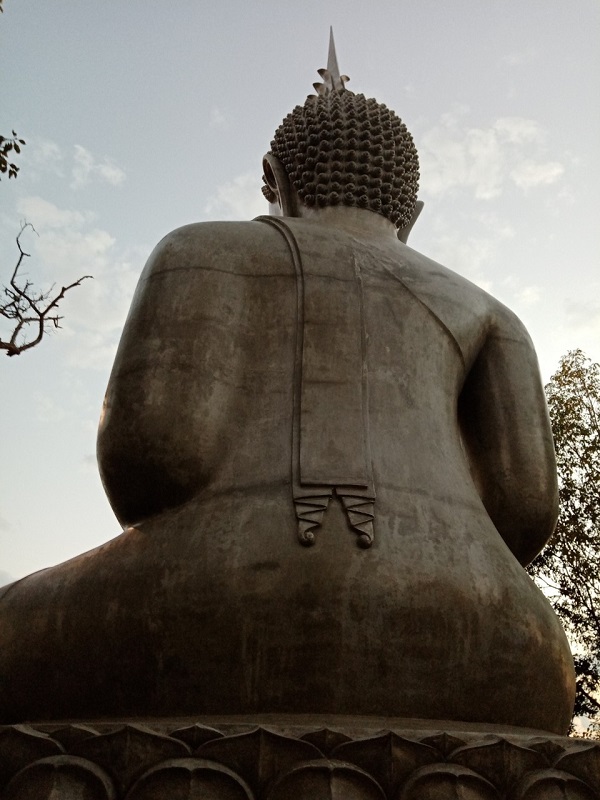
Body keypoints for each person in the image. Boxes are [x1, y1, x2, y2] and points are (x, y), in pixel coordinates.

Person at [0, 38, 575, 732]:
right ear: (412, 212)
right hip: (495, 632)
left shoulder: (204, 250)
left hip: (214, 596)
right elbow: (525, 513)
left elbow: (150, 459)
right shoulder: (492, 314)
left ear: (278, 181)